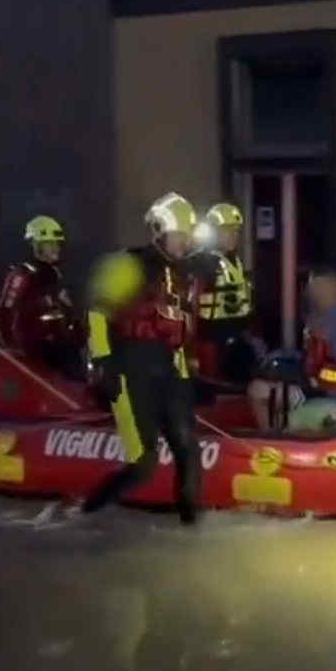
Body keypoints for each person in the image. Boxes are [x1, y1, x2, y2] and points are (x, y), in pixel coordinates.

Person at [79, 193, 202, 525]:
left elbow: (184, 328)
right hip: (131, 369)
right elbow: (98, 313)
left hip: (168, 369)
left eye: (188, 236)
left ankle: (191, 529)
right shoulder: (128, 265)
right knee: (144, 463)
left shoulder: (186, 276)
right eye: (180, 235)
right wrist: (103, 362)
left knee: (188, 449)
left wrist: (189, 374)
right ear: (160, 232)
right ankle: (87, 514)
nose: (185, 243)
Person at [248, 268, 336, 433]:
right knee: (258, 389)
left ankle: (281, 442)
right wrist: (280, 361)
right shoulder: (322, 318)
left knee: (292, 412)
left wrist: (316, 381)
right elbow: (312, 360)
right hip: (318, 390)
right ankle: (270, 439)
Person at [0, 215, 86, 380]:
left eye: (57, 244)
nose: (55, 248)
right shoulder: (23, 275)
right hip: (36, 354)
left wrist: (80, 336)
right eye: (49, 243)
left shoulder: (55, 276)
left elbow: (68, 312)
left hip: (62, 352)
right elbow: (4, 312)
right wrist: (11, 348)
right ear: (36, 245)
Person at [189, 202, 261, 386]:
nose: (234, 236)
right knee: (213, 389)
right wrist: (191, 350)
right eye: (227, 230)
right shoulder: (203, 263)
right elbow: (192, 306)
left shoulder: (235, 261)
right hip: (211, 339)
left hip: (236, 337)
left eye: (236, 231)